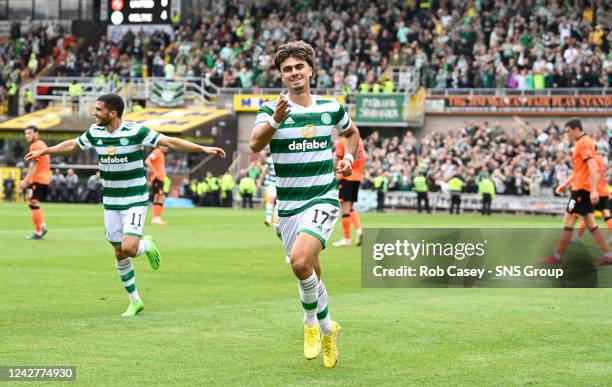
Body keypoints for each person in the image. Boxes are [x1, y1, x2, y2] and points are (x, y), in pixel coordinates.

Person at [25, 93, 225, 316]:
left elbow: (168, 141)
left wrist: (202, 148)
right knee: (119, 252)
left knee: (130, 247)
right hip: (111, 200)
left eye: (98, 109)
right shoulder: (95, 132)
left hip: (134, 198)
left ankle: (146, 245)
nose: (94, 113)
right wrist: (45, 150)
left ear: (113, 113)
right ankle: (135, 301)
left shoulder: (135, 131)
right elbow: (74, 145)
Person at [250, 41, 359, 368]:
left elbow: (352, 133)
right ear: (282, 76)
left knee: (299, 263)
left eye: (299, 67)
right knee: (308, 269)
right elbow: (255, 144)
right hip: (290, 205)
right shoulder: (272, 109)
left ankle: (311, 324)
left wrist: (349, 156)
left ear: (311, 70)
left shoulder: (331, 107)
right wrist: (275, 122)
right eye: (287, 69)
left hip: (323, 196)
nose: (294, 73)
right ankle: (329, 327)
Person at [539, 119, 611, 265]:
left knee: (569, 219)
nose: (567, 134)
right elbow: (581, 169)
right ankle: (608, 255)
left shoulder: (583, 143)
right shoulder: (585, 141)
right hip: (581, 188)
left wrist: (592, 190)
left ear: (576, 129)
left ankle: (557, 257)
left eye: (568, 131)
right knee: (590, 223)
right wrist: (565, 184)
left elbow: (592, 166)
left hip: (581, 190)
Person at [570, 151, 612, 249]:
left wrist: (592, 189)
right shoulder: (602, 159)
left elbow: (593, 173)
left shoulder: (593, 159)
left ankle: (578, 237)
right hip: (604, 189)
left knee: (587, 214)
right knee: (606, 213)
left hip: (595, 191)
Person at [332, 136, 366, 247]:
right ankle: (359, 230)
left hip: (346, 177)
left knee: (345, 209)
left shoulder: (342, 142)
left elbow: (337, 160)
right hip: (357, 177)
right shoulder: (359, 140)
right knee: (350, 207)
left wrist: (333, 172)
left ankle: (347, 239)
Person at [19, 126, 51, 239]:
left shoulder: (35, 145)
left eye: (29, 133)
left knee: (33, 202)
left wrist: (25, 181)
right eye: (25, 133)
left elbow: (34, 164)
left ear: (36, 133)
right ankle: (42, 226)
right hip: (45, 178)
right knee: (34, 202)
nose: (27, 135)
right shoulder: (42, 144)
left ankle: (39, 231)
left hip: (38, 178)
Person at [258, 151, 280, 236]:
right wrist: (259, 181)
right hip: (272, 184)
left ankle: (276, 221)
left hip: (281, 185)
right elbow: (265, 171)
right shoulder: (270, 160)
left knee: (278, 204)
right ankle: (268, 219)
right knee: (271, 200)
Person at [145, 145, 168, 226]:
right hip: (157, 178)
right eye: (165, 145)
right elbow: (147, 161)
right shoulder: (156, 152)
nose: (166, 147)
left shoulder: (161, 153)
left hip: (160, 179)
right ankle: (156, 219)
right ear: (159, 145)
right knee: (159, 196)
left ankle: (157, 218)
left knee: (160, 197)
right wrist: (155, 172)